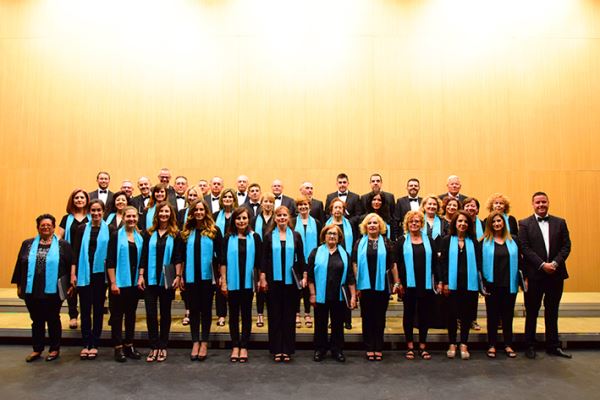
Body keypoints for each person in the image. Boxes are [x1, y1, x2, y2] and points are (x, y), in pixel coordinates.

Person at [12, 214, 74, 362]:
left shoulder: (63, 244)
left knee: (53, 319)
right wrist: (19, 285)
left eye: (49, 225)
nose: (45, 227)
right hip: (31, 289)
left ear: (53, 227)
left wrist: (71, 285)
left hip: (53, 290)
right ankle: (37, 349)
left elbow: (71, 264)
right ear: (38, 227)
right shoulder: (27, 243)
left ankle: (54, 349)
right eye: (42, 225)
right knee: (36, 320)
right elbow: (20, 265)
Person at [519, 192, 572, 359]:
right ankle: (529, 345)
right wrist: (542, 265)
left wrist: (554, 264)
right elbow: (525, 248)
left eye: (543, 202)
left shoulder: (560, 222)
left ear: (548, 202)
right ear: (532, 204)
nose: (541, 205)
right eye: (537, 202)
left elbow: (566, 246)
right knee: (532, 311)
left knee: (552, 311)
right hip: (535, 275)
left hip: (555, 275)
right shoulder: (524, 224)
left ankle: (553, 345)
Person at [177, 199, 224, 361]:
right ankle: (195, 341)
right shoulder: (186, 232)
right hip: (190, 278)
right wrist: (180, 276)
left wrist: (221, 277)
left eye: (201, 210)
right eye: (195, 210)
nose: (198, 212)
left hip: (207, 278)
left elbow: (221, 256)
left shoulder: (214, 231)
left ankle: (204, 342)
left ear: (206, 212)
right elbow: (180, 257)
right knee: (193, 311)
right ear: (191, 213)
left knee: (205, 311)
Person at [260, 206, 306, 362]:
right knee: (274, 316)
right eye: (278, 215)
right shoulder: (268, 236)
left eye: (284, 215)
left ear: (289, 218)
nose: (281, 218)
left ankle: (287, 349)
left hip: (291, 282)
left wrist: (304, 276)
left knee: (288, 316)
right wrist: (263, 277)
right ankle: (276, 349)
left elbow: (301, 259)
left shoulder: (296, 236)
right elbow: (264, 260)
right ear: (275, 218)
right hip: (273, 282)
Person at [138, 202, 181, 362]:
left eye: (166, 211)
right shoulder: (149, 234)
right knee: (150, 314)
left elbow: (178, 257)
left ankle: (163, 346)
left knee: (165, 313)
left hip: (167, 279)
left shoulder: (176, 234)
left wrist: (178, 276)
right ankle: (153, 346)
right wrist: (141, 275)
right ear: (157, 214)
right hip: (150, 279)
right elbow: (143, 255)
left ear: (171, 214)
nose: (164, 214)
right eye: (161, 211)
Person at [71, 199, 113, 360]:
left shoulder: (110, 229)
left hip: (100, 275)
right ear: (89, 212)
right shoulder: (82, 229)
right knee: (85, 309)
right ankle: (86, 343)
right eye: (93, 211)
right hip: (84, 273)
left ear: (103, 212)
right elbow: (75, 252)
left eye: (98, 211)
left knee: (98, 309)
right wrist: (73, 273)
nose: (96, 213)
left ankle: (95, 343)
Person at [308, 224, 357, 362]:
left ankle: (337, 350)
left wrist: (353, 296)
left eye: (335, 234)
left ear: (339, 237)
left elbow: (350, 277)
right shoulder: (315, 252)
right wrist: (312, 294)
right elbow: (310, 276)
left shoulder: (344, 254)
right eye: (329, 233)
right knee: (320, 324)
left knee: (337, 324)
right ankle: (320, 349)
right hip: (320, 295)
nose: (332, 236)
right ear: (324, 236)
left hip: (339, 296)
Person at [220, 207, 262, 363]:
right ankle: (235, 346)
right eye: (238, 218)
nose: (241, 221)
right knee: (233, 315)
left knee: (246, 315)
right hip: (232, 281)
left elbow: (259, 261)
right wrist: (223, 281)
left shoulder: (255, 238)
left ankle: (244, 346)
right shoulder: (227, 238)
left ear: (248, 219)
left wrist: (259, 280)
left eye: (244, 218)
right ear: (234, 220)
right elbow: (223, 261)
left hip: (248, 282)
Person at [353, 213, 398, 361]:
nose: (372, 225)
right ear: (366, 226)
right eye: (370, 223)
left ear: (380, 226)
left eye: (375, 223)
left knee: (380, 317)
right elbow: (354, 263)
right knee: (367, 317)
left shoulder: (387, 242)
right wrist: (357, 284)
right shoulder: (359, 242)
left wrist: (396, 282)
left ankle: (378, 347)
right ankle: (369, 346)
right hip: (365, 286)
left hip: (382, 285)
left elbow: (392, 264)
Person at [395, 211, 439, 361]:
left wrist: (438, 281)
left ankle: (422, 345)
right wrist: (398, 282)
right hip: (408, 285)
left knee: (424, 314)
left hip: (426, 283)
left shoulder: (430, 241)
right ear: (407, 224)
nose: (414, 224)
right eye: (411, 221)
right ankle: (409, 346)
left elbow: (435, 263)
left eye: (417, 221)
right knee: (408, 314)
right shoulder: (401, 241)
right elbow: (396, 263)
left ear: (422, 224)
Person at [440, 210, 482, 360]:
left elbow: (478, 264)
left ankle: (464, 343)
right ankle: (452, 343)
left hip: (469, 285)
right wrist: (444, 282)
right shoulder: (446, 240)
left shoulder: (474, 242)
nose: (462, 224)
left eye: (465, 221)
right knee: (451, 315)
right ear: (454, 223)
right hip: (451, 284)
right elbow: (442, 263)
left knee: (466, 315)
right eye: (459, 221)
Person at [481, 211, 523, 359]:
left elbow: (520, 262)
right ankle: (491, 345)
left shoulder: (514, 241)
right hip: (492, 285)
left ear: (504, 223)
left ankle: (508, 344)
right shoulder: (484, 242)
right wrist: (484, 284)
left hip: (509, 284)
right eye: (493, 222)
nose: (496, 224)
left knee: (507, 316)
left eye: (499, 221)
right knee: (492, 316)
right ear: (489, 225)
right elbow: (480, 265)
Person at [106, 206, 143, 362]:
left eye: (134, 216)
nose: (131, 219)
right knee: (116, 316)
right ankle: (118, 347)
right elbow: (110, 260)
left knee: (130, 315)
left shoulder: (140, 237)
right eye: (128, 216)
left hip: (133, 283)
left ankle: (129, 345)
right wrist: (113, 283)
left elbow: (142, 260)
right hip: (118, 283)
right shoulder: (115, 235)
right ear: (123, 218)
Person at [57, 188, 90, 329]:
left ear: (86, 200)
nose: (79, 200)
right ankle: (73, 315)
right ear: (73, 200)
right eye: (76, 198)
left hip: (87, 256)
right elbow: (59, 236)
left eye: (82, 197)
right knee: (71, 286)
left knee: (85, 287)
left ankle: (85, 314)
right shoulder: (67, 218)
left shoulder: (92, 216)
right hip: (70, 255)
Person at [326, 198, 357, 330]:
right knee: (332, 291)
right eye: (335, 207)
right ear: (331, 210)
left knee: (346, 289)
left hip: (346, 260)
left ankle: (347, 319)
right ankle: (333, 320)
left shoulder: (349, 224)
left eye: (340, 208)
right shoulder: (326, 225)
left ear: (343, 210)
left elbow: (355, 241)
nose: (338, 210)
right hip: (331, 260)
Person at [294, 197, 322, 329]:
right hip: (296, 259)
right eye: (300, 205)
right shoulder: (293, 222)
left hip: (312, 259)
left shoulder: (316, 222)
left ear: (309, 206)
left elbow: (320, 240)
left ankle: (307, 313)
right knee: (296, 288)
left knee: (309, 286)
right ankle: (297, 313)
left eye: (305, 204)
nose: (303, 207)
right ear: (297, 207)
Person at [213, 188, 238, 327]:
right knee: (220, 285)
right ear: (221, 200)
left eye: (230, 197)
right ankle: (221, 315)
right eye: (225, 197)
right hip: (218, 255)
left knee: (234, 284)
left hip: (235, 254)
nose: (227, 199)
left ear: (234, 199)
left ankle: (234, 314)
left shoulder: (239, 215)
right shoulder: (215, 215)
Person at [251, 192, 276, 328]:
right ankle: (260, 314)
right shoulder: (255, 220)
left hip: (273, 257)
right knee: (260, 286)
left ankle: (272, 314)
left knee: (271, 287)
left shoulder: (277, 219)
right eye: (266, 201)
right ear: (261, 204)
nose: (268, 204)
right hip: (258, 256)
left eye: (271, 202)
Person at [462, 197, 485, 331]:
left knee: (473, 293)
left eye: (473, 206)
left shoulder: (483, 224)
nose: (470, 208)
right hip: (460, 261)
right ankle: (460, 319)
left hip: (477, 261)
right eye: (467, 206)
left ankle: (472, 319)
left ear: (477, 209)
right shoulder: (459, 222)